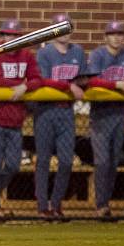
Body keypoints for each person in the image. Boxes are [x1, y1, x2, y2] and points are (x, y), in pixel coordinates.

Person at [0, 19, 42, 219]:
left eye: (15, 36)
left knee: (14, 164)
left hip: (16, 120)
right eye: (7, 35)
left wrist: (25, 87)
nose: (11, 39)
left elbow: (37, 79)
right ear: (2, 37)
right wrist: (20, 82)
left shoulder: (27, 55)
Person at [34, 14, 87, 221]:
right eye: (59, 27)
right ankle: (42, 206)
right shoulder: (45, 53)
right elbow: (44, 80)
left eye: (67, 27)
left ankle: (56, 204)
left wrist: (83, 83)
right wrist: (68, 85)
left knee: (66, 161)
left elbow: (83, 77)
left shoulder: (78, 52)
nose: (64, 32)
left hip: (67, 111)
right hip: (46, 111)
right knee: (43, 161)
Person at [87, 21, 124, 219]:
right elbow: (92, 80)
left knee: (115, 161)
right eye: (112, 34)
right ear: (105, 37)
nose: (117, 37)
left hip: (118, 114)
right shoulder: (98, 55)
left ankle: (106, 203)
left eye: (120, 34)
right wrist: (117, 84)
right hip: (100, 114)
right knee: (102, 161)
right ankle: (101, 205)